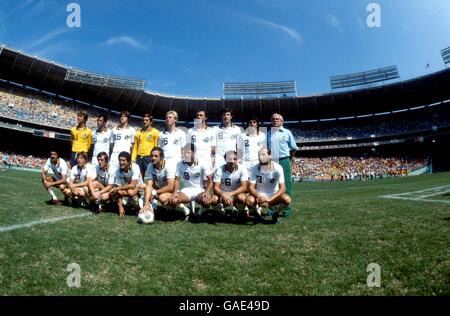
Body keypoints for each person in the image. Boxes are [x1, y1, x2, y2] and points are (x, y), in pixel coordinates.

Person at [246, 148, 292, 222]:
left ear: (270, 156)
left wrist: (270, 199)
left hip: (273, 196)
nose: (261, 157)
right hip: (259, 195)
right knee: (249, 200)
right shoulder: (255, 168)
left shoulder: (278, 168)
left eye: (263, 155)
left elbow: (283, 188)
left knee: (287, 199)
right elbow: (251, 187)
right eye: (259, 155)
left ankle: (276, 213)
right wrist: (260, 197)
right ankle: (257, 215)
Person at [169, 144, 213, 219]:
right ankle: (186, 211)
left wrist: (207, 192)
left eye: (189, 153)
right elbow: (177, 179)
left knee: (207, 201)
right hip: (186, 190)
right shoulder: (180, 163)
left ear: (194, 152)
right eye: (184, 153)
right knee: (173, 200)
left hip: (199, 190)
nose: (186, 155)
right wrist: (175, 192)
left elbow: (210, 180)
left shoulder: (202, 161)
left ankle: (199, 213)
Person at [266, 113, 298, 217]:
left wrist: (289, 158)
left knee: (286, 185)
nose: (275, 121)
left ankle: (286, 210)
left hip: (284, 160)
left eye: (277, 119)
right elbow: (266, 150)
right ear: (271, 121)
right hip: (272, 161)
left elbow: (293, 148)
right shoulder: (268, 134)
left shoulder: (287, 132)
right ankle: (271, 208)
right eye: (273, 119)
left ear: (281, 121)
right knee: (272, 185)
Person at [139, 147, 176, 221]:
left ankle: (180, 209)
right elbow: (149, 185)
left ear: (162, 157)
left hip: (173, 192)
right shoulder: (150, 166)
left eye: (156, 156)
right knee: (142, 186)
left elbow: (171, 187)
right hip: (161, 189)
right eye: (151, 156)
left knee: (163, 198)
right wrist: (146, 203)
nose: (153, 158)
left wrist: (154, 192)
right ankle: (148, 206)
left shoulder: (169, 166)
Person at [211, 150, 248, 216]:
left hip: (237, 194)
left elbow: (244, 187)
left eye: (234, 159)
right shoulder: (219, 169)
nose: (232, 161)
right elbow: (215, 187)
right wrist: (223, 194)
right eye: (230, 159)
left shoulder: (242, 168)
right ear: (225, 159)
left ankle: (240, 211)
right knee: (214, 199)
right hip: (223, 194)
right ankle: (220, 211)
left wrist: (230, 194)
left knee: (242, 198)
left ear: (237, 159)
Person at [108, 151, 145, 217]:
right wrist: (120, 207)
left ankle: (139, 207)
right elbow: (117, 190)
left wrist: (117, 188)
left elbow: (133, 185)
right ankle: (129, 204)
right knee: (115, 192)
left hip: (139, 188)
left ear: (129, 161)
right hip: (128, 188)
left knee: (131, 191)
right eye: (120, 160)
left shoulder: (135, 167)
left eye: (123, 160)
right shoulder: (118, 171)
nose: (121, 162)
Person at [131, 114, 160, 180]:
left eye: (146, 120)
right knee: (139, 177)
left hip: (149, 157)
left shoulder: (155, 132)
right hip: (139, 157)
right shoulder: (138, 133)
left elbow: (156, 147)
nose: (144, 122)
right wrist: (133, 158)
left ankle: (152, 189)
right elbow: (135, 147)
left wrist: (154, 157)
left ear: (151, 122)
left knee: (151, 176)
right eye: (143, 120)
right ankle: (140, 189)